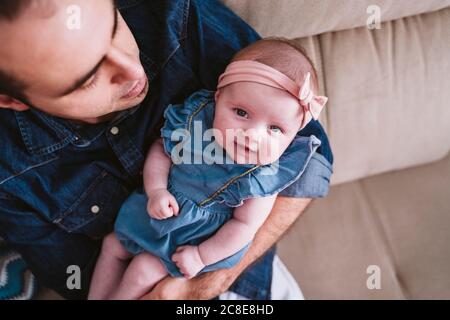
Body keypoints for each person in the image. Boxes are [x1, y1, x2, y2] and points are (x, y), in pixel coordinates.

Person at [0, 0, 333, 300]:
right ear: (10, 100)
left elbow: (311, 161)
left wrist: (204, 283)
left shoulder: (173, 14)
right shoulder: (9, 172)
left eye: (115, 27)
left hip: (241, 285)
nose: (133, 70)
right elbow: (74, 275)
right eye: (87, 78)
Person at [88, 38, 329, 300]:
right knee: (112, 245)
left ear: (293, 135)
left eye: (275, 129)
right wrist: (156, 189)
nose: (252, 135)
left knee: (143, 269)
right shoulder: (197, 124)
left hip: (194, 240)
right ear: (218, 98)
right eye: (241, 112)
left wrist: (201, 256)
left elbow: (244, 227)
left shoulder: (262, 177)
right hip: (157, 210)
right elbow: (162, 151)